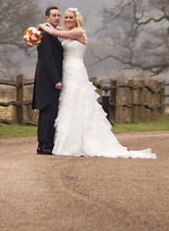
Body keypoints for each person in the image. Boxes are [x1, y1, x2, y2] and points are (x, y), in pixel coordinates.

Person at [40, 8, 156, 159]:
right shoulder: (70, 32)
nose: (67, 20)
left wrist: (41, 27)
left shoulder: (78, 32)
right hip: (66, 71)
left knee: (79, 101)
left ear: (76, 19)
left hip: (75, 71)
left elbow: (56, 33)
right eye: (66, 17)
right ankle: (69, 142)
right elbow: (57, 29)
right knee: (69, 104)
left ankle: (83, 143)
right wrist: (47, 27)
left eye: (70, 17)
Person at [32, 6, 64, 155]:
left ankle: (44, 144)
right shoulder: (45, 34)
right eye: (53, 15)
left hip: (48, 79)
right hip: (48, 80)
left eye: (58, 15)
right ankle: (45, 145)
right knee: (48, 113)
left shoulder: (51, 32)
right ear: (47, 18)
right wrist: (56, 80)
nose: (57, 18)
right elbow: (47, 59)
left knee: (48, 114)